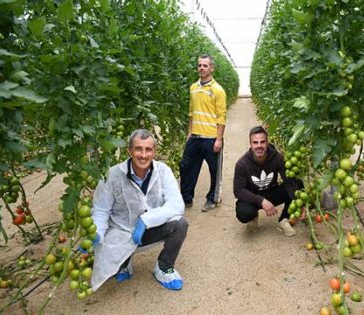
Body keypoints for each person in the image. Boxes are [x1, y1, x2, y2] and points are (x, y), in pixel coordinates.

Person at [90, 129, 188, 292]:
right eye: (138, 149)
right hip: (120, 230)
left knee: (180, 224)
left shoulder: (163, 171)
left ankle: (164, 267)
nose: (143, 155)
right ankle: (124, 262)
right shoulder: (112, 175)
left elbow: (176, 204)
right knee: (112, 255)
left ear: (154, 152)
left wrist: (147, 220)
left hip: (149, 230)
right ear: (129, 151)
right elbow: (101, 209)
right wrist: (97, 232)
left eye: (148, 149)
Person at [233, 126, 301, 237]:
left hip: (271, 193)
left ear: (267, 143)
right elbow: (238, 191)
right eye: (255, 142)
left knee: (297, 184)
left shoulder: (277, 158)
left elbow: (289, 182)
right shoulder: (242, 164)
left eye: (262, 142)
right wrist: (261, 201)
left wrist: (300, 204)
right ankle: (253, 217)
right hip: (253, 197)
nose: (259, 146)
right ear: (250, 144)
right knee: (244, 212)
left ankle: (284, 219)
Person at [180, 54, 227, 212]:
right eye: (199, 65)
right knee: (186, 167)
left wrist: (219, 139)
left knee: (215, 170)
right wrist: (189, 133)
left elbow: (221, 116)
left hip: (211, 138)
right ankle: (186, 199)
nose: (201, 68)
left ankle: (212, 198)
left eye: (205, 65)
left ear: (211, 68)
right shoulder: (193, 88)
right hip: (195, 137)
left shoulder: (218, 90)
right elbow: (191, 113)